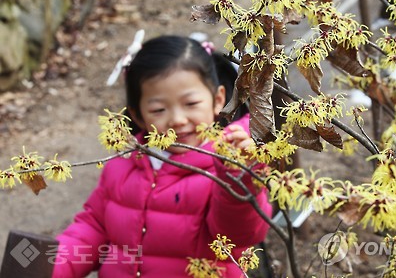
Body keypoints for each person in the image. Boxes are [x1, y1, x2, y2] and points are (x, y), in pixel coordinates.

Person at [52, 35, 272, 278]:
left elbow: (240, 234)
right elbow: (92, 228)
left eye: (191, 103)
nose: (177, 119)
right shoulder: (122, 165)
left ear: (218, 100)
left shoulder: (227, 166)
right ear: (137, 115)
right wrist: (52, 267)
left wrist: (237, 177)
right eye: (158, 109)